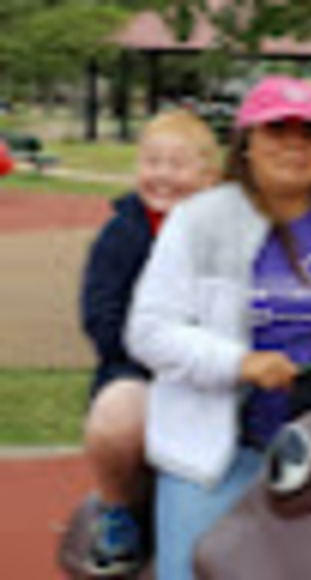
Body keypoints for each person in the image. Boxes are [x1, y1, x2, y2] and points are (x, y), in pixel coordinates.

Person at [125, 76, 311, 580]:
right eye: (277, 130)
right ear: (246, 144)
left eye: (309, 134)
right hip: (213, 453)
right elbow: (149, 330)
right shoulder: (199, 220)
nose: (294, 145)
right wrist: (238, 363)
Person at [80, 108, 219, 576]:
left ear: (209, 176)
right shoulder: (123, 235)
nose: (162, 175)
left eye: (177, 164)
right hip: (141, 369)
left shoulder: (226, 235)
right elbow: (102, 317)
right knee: (116, 417)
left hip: (215, 371)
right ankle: (117, 511)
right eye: (151, 162)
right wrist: (167, 357)